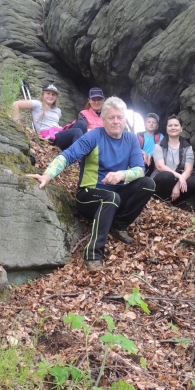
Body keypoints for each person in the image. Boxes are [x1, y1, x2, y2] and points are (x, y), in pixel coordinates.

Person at [28, 97, 155, 272]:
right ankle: (93, 255)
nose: (116, 121)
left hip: (117, 194)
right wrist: (47, 176)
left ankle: (119, 225)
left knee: (148, 183)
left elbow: (140, 170)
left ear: (125, 119)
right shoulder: (94, 136)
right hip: (89, 195)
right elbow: (68, 155)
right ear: (103, 119)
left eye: (119, 117)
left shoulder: (131, 139)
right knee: (110, 197)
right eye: (111, 117)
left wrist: (121, 174)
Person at [151, 115, 195, 211]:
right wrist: (179, 176)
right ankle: (162, 204)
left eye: (176, 125)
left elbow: (189, 169)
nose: (173, 128)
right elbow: (160, 166)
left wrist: (178, 184)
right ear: (166, 128)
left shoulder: (187, 147)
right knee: (167, 175)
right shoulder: (159, 146)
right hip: (161, 183)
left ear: (181, 128)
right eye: (170, 125)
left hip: (179, 183)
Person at [11, 82, 87, 150]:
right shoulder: (37, 104)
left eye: (53, 94)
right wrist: (17, 123)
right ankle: (78, 157)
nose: (50, 96)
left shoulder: (58, 110)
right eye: (48, 93)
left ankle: (83, 152)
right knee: (77, 132)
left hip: (59, 133)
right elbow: (15, 104)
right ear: (43, 94)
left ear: (56, 97)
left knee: (82, 124)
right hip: (49, 137)